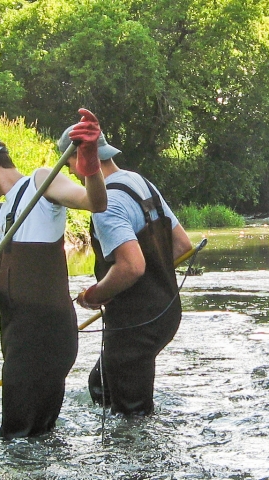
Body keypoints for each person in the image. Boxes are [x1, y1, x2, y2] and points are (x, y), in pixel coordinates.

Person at [0, 109, 108, 439]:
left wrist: (89, 163)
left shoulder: (42, 182)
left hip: (48, 335)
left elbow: (95, 201)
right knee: (36, 436)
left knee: (14, 438)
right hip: (17, 337)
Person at [68, 125, 194, 416]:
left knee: (131, 416)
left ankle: (138, 459)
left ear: (82, 157)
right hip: (166, 312)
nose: (72, 173)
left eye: (69, 164)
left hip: (135, 323)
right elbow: (182, 245)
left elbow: (132, 266)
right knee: (101, 385)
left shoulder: (106, 205)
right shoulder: (140, 182)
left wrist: (96, 294)